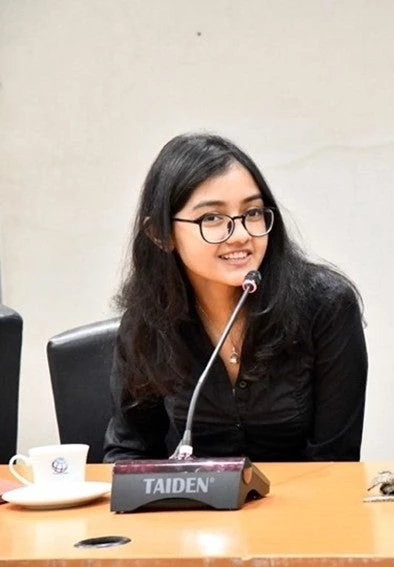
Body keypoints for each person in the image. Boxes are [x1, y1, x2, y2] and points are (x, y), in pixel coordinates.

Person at [104, 133, 368, 462]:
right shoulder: (149, 320)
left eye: (253, 212)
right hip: (195, 497)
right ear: (160, 234)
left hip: (305, 495)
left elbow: (336, 461)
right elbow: (129, 452)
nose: (241, 235)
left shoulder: (326, 306)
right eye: (212, 218)